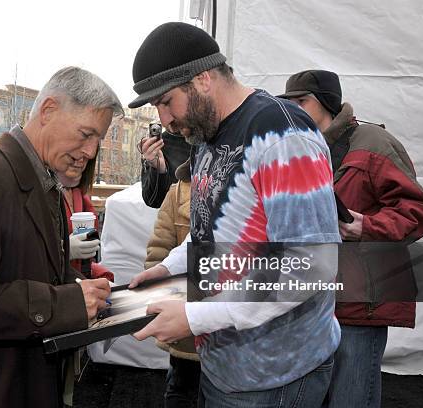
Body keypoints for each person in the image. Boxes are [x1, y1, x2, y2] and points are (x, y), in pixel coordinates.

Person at [128, 22, 341, 407]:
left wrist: (196, 318)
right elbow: (210, 226)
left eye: (166, 101)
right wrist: (172, 266)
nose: (165, 119)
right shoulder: (207, 135)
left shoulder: (282, 135)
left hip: (275, 376)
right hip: (226, 367)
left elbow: (311, 266)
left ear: (203, 79)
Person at [0, 66, 123, 408]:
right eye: (86, 134)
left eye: (97, 140)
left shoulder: (45, 182)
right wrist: (68, 303)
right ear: (48, 111)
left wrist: (82, 289)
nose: (90, 152)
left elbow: (24, 266)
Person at [278, 69, 423, 408]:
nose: (294, 108)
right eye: (289, 102)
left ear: (327, 103)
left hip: (360, 303)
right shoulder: (298, 150)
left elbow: (419, 210)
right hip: (312, 300)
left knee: (351, 398)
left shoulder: (373, 143)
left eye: (301, 101)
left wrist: (366, 227)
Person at [144, 158, 200, 408]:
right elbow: (159, 251)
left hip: (232, 338)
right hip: (187, 338)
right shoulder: (178, 193)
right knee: (181, 391)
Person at [58, 159, 114, 281]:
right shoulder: (47, 192)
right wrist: (64, 250)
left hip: (79, 277)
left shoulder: (79, 194)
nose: (79, 160)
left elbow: (90, 252)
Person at [140, 128, 191, 208]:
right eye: (160, 114)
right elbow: (152, 201)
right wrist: (159, 170)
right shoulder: (159, 145)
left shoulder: (213, 136)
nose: (165, 120)